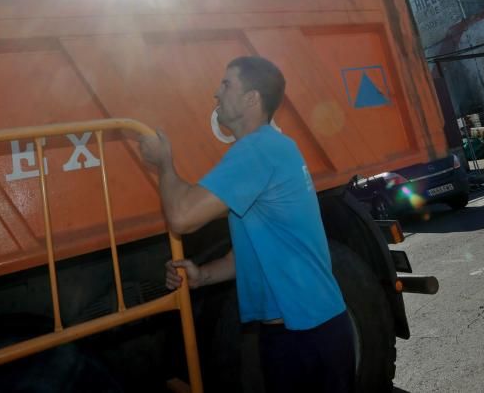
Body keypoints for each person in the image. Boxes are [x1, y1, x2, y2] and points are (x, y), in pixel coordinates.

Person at [138, 56, 355, 393]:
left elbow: (181, 215)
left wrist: (164, 164)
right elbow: (249, 254)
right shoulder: (268, 149)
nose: (216, 93)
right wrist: (203, 274)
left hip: (308, 336)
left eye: (226, 84)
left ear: (252, 98)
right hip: (300, 331)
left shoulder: (258, 151)